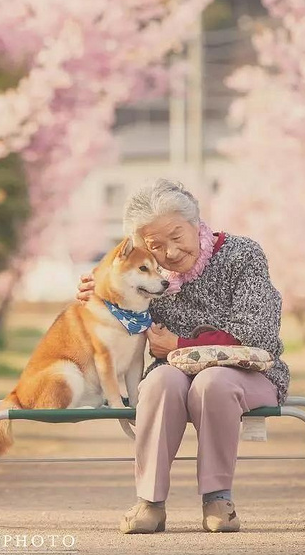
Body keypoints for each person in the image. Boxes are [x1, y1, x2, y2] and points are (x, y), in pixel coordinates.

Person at [75, 177, 289, 534]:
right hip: (174, 372)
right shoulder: (151, 277)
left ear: (196, 223)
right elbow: (117, 319)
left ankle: (218, 499)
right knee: (159, 381)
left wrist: (181, 346)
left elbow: (258, 333)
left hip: (247, 372)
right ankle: (150, 502)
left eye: (177, 237)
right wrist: (98, 294)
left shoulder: (243, 254)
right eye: (156, 245)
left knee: (213, 382)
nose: (170, 253)